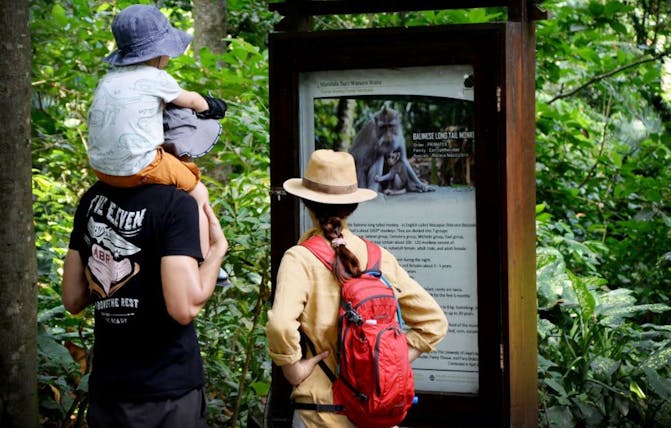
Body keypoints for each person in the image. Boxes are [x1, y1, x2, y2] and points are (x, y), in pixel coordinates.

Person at [266, 149, 448, 427]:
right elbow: (434, 323)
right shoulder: (378, 257)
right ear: (352, 207)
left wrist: (293, 369)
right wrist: (382, 365)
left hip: (321, 413)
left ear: (306, 203)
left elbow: (280, 325)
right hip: (374, 412)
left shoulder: (299, 258)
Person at [61, 173, 228, 427]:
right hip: (167, 391)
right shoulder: (176, 202)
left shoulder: (92, 199)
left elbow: (73, 298)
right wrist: (218, 250)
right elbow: (184, 307)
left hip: (109, 388)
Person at [87, 4, 227, 262]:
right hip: (139, 165)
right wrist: (213, 106)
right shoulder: (156, 77)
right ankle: (205, 258)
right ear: (159, 53)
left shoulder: (108, 79)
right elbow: (192, 101)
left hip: (101, 169)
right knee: (198, 193)